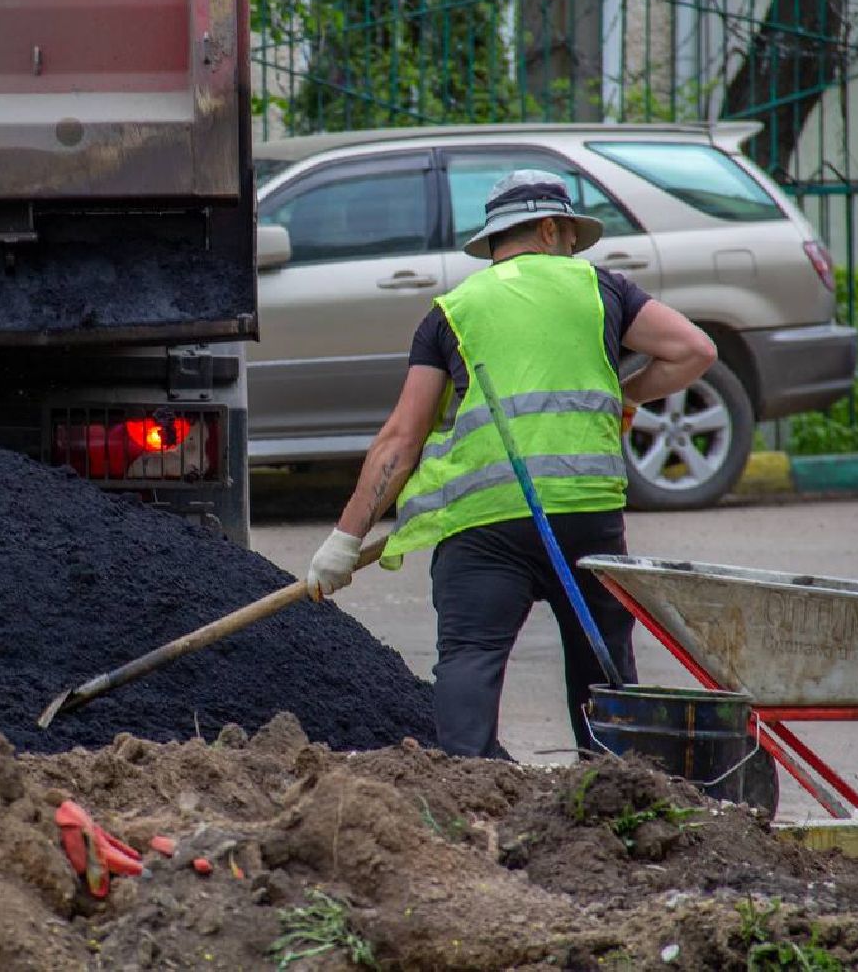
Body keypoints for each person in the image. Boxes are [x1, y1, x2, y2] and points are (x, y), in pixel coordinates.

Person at [303, 169, 716, 759]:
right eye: (571, 236)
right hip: (586, 515)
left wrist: (344, 541)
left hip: (485, 522)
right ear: (551, 229)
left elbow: (401, 438)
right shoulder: (603, 290)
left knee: (470, 657)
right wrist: (627, 396)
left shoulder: (453, 311)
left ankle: (467, 793)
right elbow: (695, 350)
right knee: (601, 663)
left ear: (496, 242)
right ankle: (614, 788)